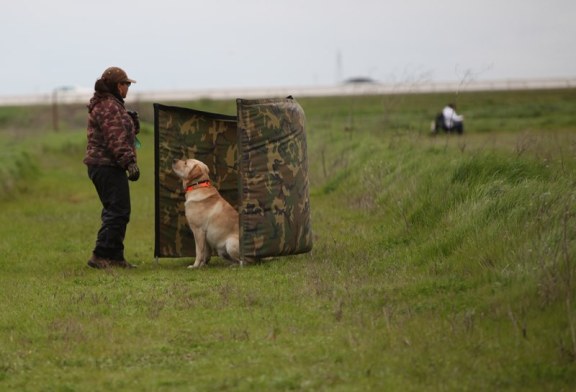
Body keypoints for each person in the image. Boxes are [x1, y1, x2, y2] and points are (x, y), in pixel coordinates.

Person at [84, 66, 140, 269]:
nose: (127, 88)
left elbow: (120, 132)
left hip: (105, 165)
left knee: (119, 210)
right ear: (118, 85)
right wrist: (129, 162)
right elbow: (115, 138)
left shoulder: (111, 104)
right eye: (125, 84)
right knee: (117, 211)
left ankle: (115, 257)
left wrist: (132, 123)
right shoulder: (109, 106)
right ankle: (100, 255)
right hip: (106, 165)